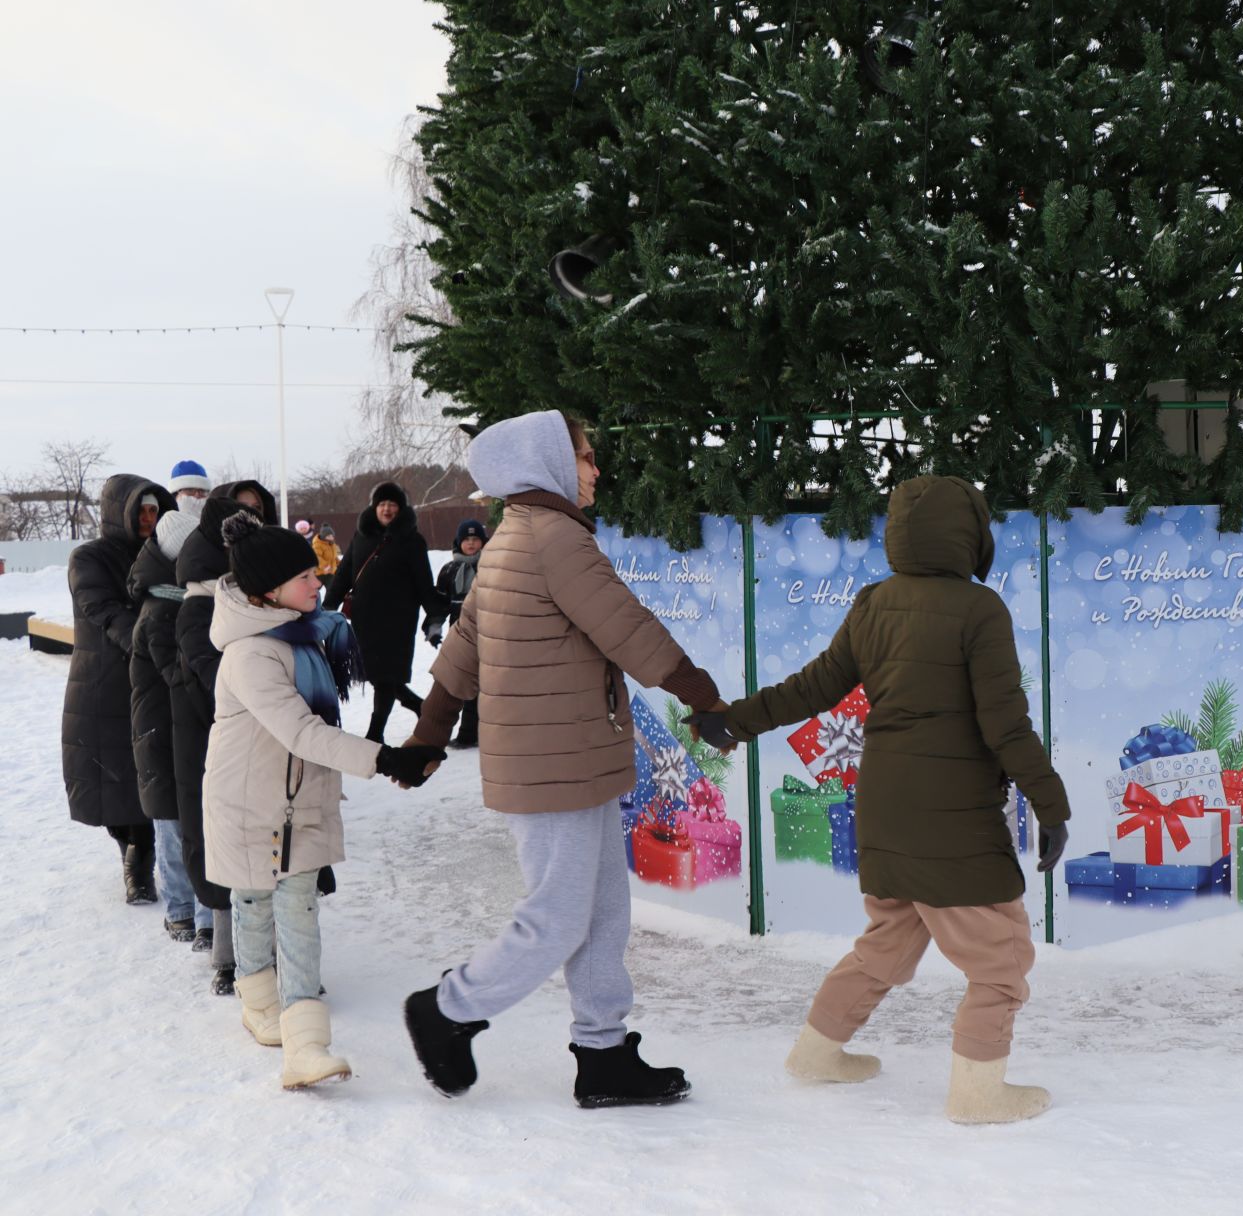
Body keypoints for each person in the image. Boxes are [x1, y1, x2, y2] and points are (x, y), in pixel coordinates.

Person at [692, 475, 1072, 1123]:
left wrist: (736, 719)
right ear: (971, 537)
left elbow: (813, 687)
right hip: (952, 818)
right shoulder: (980, 611)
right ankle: (979, 1094)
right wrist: (1051, 803)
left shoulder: (873, 603)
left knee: (889, 940)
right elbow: (1005, 723)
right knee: (1000, 957)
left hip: (885, 808)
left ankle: (817, 1053)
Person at [399, 411, 727, 1109]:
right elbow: (626, 626)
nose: (595, 470)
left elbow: (463, 647)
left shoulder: (517, 536)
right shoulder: (553, 539)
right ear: (546, 463)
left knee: (604, 915)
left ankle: (602, 1054)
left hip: (573, 761)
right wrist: (701, 695)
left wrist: (431, 733)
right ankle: (446, 1010)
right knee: (556, 919)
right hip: (553, 770)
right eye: (584, 457)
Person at [203, 511, 443, 1089]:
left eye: (316, 574)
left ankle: (306, 1045)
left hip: (301, 800)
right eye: (305, 577)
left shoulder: (306, 634)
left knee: (299, 910)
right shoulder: (250, 653)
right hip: (249, 803)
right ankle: (259, 1004)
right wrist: (383, 758)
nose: (319, 583)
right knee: (255, 904)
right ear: (269, 590)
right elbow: (301, 732)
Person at [176, 480, 278, 985]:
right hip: (220, 747)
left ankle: (270, 954)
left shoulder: (257, 605)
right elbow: (223, 683)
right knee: (230, 847)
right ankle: (229, 955)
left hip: (257, 746)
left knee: (266, 846)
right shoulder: (200, 609)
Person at [64, 474, 175, 904]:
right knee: (110, 776)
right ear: (120, 513)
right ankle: (133, 856)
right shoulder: (89, 557)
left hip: (154, 678)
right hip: (104, 682)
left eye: (154, 510)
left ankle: (143, 854)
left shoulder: (165, 554)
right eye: (140, 510)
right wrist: (146, 643)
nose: (148, 518)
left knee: (150, 771)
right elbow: (103, 608)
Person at [130, 506, 208, 942]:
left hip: (173, 729)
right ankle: (182, 908)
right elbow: (180, 676)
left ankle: (193, 911)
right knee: (174, 824)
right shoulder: (164, 609)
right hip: (163, 732)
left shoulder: (170, 600)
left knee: (183, 820)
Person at [324, 483, 434, 743]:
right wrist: (329, 605)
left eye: (393, 504)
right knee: (376, 673)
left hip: (398, 619)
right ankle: (419, 706)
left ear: (400, 509)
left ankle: (375, 734)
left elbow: (423, 581)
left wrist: (435, 615)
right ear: (374, 507)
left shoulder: (412, 540)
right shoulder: (361, 536)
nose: (387, 508)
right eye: (382, 504)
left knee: (386, 674)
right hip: (365, 618)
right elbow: (344, 573)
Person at [423, 519, 487, 748]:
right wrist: (433, 629)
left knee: (489, 684)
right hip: (459, 634)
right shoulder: (449, 570)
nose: (471, 544)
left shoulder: (491, 566)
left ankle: (481, 732)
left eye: (475, 539)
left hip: (489, 632)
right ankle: (467, 733)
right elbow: (439, 605)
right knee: (460, 682)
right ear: (458, 543)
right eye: (466, 539)